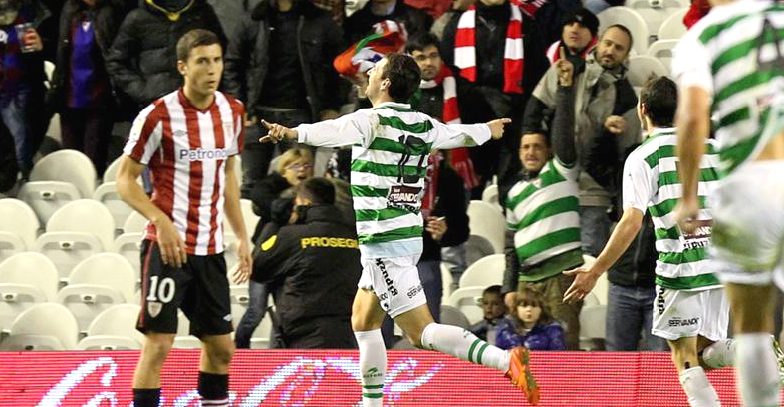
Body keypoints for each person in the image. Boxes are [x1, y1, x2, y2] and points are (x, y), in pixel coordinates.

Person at [261, 53, 539, 406]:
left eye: (375, 70)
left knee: (421, 332)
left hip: (383, 242)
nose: (369, 73)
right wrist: (488, 129)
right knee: (363, 323)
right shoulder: (423, 124)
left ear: (386, 83)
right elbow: (460, 135)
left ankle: (505, 360)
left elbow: (331, 131)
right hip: (404, 237)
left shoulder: (370, 120)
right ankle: (372, 402)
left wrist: (291, 132)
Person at [564, 77, 751, 406]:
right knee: (705, 352)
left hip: (681, 269)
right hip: (719, 266)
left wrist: (595, 271)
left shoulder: (643, 157)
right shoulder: (712, 149)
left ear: (642, 110)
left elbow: (631, 221)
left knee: (684, 357)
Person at [115, 29, 252, 407]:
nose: (212, 69)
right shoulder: (157, 116)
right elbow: (124, 180)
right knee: (159, 344)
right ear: (182, 67)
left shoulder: (233, 111)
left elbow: (227, 175)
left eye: (217, 60)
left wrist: (243, 236)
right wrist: (160, 221)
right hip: (167, 249)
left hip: (210, 249)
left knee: (221, 348)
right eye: (202, 61)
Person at [671, 0, 784, 405]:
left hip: (751, 186)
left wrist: (688, 196)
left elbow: (693, 117)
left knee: (752, 328)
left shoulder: (703, 37)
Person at [523, 24, 639, 258]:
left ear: (626, 55)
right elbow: (532, 118)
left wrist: (609, 134)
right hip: (555, 184)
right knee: (550, 258)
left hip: (593, 194)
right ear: (598, 42)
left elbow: (625, 157)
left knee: (588, 261)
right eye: (608, 43)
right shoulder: (566, 69)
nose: (610, 51)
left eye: (618, 48)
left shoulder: (626, 97)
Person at [502, 49, 584, 350]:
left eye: (537, 146)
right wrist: (509, 287)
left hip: (562, 279)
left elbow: (564, 133)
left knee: (563, 350)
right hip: (526, 282)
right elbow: (510, 249)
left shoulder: (561, 171)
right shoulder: (513, 193)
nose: (531, 152)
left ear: (548, 151)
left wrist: (565, 89)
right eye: (525, 147)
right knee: (522, 353)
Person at [222, 0, 344, 196]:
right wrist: (239, 105)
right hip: (256, 115)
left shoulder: (320, 20)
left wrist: (332, 106)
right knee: (251, 186)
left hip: (301, 115)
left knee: (302, 188)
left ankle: (294, 218)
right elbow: (232, 65)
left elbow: (338, 67)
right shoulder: (253, 19)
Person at [441, 0, 549, 196]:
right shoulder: (456, 25)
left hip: (512, 120)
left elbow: (538, 77)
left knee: (510, 188)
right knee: (471, 192)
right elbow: (447, 75)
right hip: (470, 119)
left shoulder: (527, 25)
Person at [251, 177, 362, 349]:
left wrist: (275, 222)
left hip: (301, 331)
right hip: (346, 328)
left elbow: (257, 268)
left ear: (304, 203)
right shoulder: (354, 237)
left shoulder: (291, 236)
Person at [106, 0, 225, 118]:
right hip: (156, 107)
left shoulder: (202, 14)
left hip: (198, 104)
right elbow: (116, 61)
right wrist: (142, 90)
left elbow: (222, 53)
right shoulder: (138, 18)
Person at [49, 0, 124, 176]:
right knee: (71, 162)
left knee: (93, 162)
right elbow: (62, 51)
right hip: (69, 95)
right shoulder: (69, 9)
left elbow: (117, 55)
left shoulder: (112, 13)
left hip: (99, 97)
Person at [0, 0, 51, 180]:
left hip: (23, 95)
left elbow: (38, 67)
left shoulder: (32, 20)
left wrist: (39, 49)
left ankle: (23, 180)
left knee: (20, 146)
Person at [496, 287, 565, 351]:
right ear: (516, 309)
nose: (529, 309)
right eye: (524, 305)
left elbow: (557, 355)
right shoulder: (505, 330)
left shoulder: (552, 331)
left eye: (534, 306)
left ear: (542, 309)